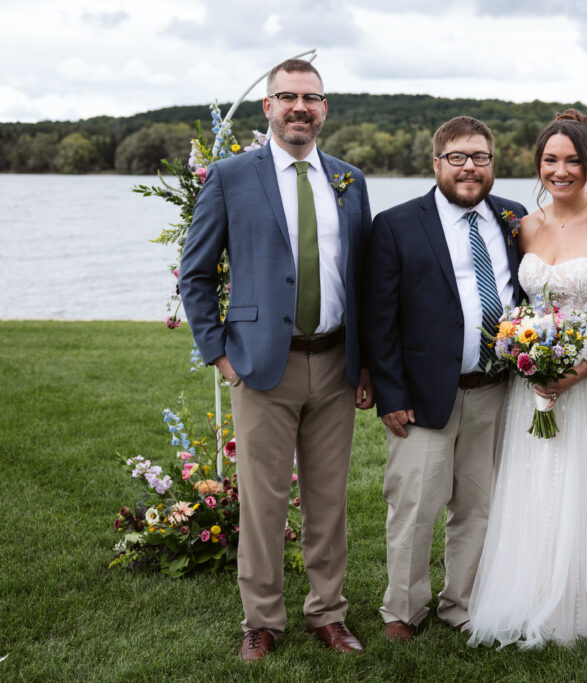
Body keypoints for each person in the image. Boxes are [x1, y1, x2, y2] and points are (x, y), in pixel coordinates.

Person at [178, 59, 374, 662]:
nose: (299, 107)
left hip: (336, 363)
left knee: (328, 499)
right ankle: (261, 620)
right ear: (268, 107)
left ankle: (328, 613)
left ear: (324, 108)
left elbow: (363, 277)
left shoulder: (349, 180)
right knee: (261, 502)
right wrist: (219, 356)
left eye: (311, 98)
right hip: (263, 366)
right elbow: (196, 273)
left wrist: (366, 361)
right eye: (287, 96)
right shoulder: (231, 177)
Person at [467, 110, 587, 649]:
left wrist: (579, 368)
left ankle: (584, 602)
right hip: (536, 376)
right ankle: (527, 592)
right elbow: (523, 301)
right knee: (535, 480)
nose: (560, 170)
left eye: (572, 160)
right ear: (538, 164)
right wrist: (530, 353)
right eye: (550, 160)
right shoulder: (526, 225)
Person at [364, 116, 527, 642]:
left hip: (495, 391)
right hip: (422, 396)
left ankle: (461, 603)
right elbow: (379, 319)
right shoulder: (397, 224)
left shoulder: (514, 218)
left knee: (479, 506)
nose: (469, 167)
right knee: (414, 508)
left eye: (480, 157)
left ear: (492, 164)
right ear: (436, 164)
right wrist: (390, 393)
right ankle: (402, 610)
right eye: (457, 157)